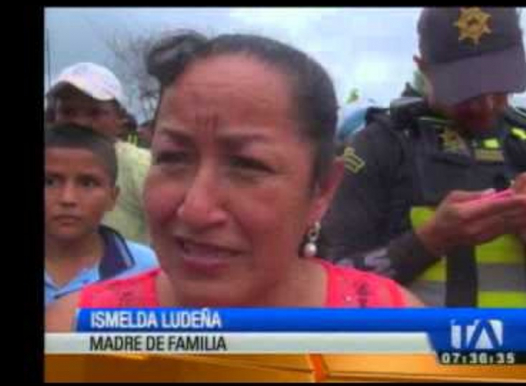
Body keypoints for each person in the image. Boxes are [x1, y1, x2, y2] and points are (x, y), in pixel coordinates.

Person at [45, 32, 424, 330]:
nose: (195, 209)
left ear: (322, 188)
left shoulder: (398, 333)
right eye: (173, 158)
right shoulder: (75, 334)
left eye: (247, 165)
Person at [322, 7, 526, 307]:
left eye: (499, 83)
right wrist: (430, 240)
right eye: (466, 89)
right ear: (424, 68)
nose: (486, 104)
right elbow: (328, 287)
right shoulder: (378, 146)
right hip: (417, 354)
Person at [45, 123, 158, 307]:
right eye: (49, 182)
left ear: (112, 198)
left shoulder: (147, 268)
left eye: (87, 183)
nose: (68, 198)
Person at [46, 62, 151, 245]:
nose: (80, 122)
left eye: (94, 112)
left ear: (120, 118)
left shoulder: (142, 167)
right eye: (68, 111)